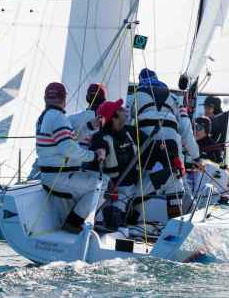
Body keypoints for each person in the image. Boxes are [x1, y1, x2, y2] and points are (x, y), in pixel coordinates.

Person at [35, 82, 106, 233]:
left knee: (96, 181)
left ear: (45, 98)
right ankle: (73, 223)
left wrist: (90, 127)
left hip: (51, 175)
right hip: (59, 177)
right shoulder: (58, 118)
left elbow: (68, 140)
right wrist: (94, 156)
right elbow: (68, 149)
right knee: (104, 185)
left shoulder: (45, 117)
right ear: (64, 98)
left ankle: (74, 218)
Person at [87, 99, 148, 230]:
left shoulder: (130, 131)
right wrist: (107, 184)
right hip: (114, 192)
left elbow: (151, 145)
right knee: (113, 216)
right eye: (120, 110)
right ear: (113, 118)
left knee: (168, 177)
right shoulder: (100, 138)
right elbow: (92, 167)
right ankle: (117, 223)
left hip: (137, 188)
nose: (125, 110)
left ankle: (128, 220)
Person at [69, 83, 106, 148]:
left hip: (76, 156)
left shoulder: (71, 119)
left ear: (87, 97)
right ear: (104, 99)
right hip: (98, 156)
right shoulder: (112, 121)